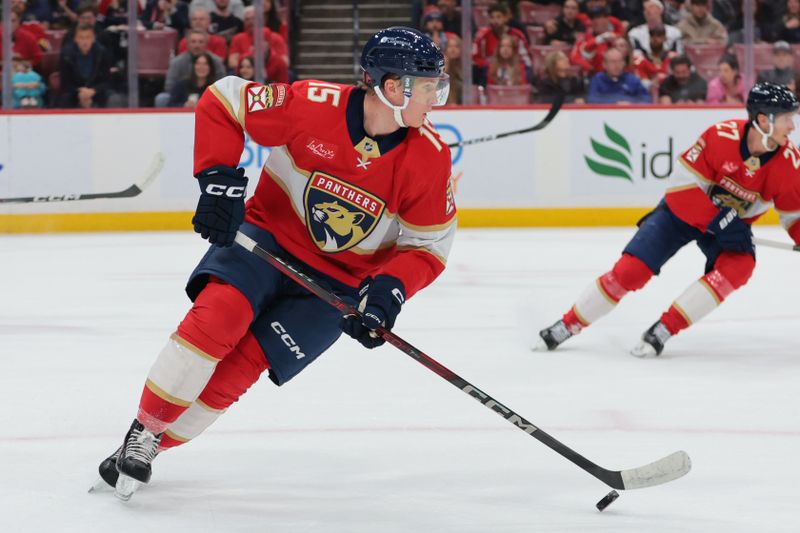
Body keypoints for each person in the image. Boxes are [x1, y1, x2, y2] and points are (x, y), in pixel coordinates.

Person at [94, 26, 456, 499]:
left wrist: (390, 287)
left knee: (239, 371)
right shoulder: (311, 104)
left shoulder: (430, 158)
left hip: (339, 284)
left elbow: (427, 247)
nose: (437, 99)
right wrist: (218, 179)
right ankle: (145, 428)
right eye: (429, 87)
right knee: (218, 318)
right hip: (266, 240)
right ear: (392, 87)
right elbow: (225, 100)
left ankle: (148, 445)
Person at [535, 83, 800, 357]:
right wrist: (720, 221)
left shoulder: (790, 164)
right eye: (785, 119)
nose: (792, 127)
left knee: (740, 266)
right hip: (684, 214)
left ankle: (664, 329)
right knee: (630, 272)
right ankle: (569, 324)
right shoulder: (720, 137)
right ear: (761, 120)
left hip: (730, 227)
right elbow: (682, 191)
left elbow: (795, 216)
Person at [58, 24, 113, 108]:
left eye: (88, 37)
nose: (85, 41)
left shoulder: (102, 53)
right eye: (81, 38)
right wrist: (80, 91)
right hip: (74, 93)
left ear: (93, 38)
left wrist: (93, 91)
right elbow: (65, 83)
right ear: (75, 39)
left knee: (112, 98)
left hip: (96, 92)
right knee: (65, 99)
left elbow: (107, 81)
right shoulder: (66, 55)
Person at [586, 48, 651, 104]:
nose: (616, 65)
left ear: (624, 63)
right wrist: (615, 103)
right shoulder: (597, 80)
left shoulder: (633, 80)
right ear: (604, 64)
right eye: (612, 62)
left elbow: (647, 99)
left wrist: (630, 103)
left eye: (619, 61)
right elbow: (591, 99)